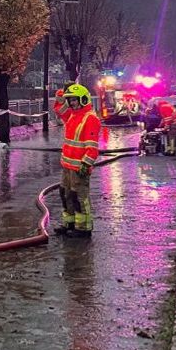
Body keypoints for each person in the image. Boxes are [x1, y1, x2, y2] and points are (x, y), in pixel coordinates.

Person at [51, 84, 104, 238]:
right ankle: (70, 223)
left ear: (83, 99)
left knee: (79, 197)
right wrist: (62, 93)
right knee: (65, 194)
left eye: (74, 100)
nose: (72, 103)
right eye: (70, 100)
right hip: (67, 166)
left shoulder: (90, 118)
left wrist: (86, 163)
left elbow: (92, 147)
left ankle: (83, 228)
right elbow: (59, 108)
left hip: (79, 167)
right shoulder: (73, 115)